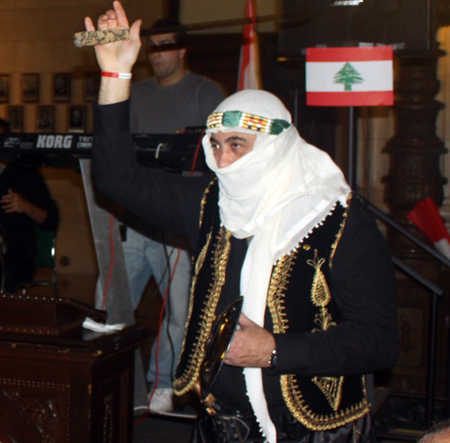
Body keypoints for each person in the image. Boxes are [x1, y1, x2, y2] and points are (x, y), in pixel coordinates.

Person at [86, 2, 399, 442]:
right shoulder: (209, 202)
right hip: (221, 424)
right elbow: (117, 178)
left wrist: (275, 351)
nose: (224, 160)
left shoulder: (337, 220)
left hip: (312, 429)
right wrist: (115, 76)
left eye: (238, 144)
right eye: (215, 145)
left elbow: (379, 340)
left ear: (277, 146)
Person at [117, 14, 224, 412]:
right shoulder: (135, 93)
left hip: (177, 221)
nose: (156, 55)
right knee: (111, 306)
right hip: (133, 219)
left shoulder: (203, 92)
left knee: (179, 310)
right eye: (152, 46)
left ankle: (161, 383)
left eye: (165, 47)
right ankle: (117, 379)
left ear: (181, 51)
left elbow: (218, 147)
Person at [0, 119, 59, 292]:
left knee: (7, 273)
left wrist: (26, 206)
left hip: (16, 254)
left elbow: (51, 221)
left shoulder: (26, 174)